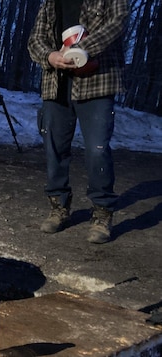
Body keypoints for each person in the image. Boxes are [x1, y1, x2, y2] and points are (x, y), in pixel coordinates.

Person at [27, 0, 129, 244]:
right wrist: (50, 56)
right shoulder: (51, 2)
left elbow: (118, 23)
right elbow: (35, 39)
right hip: (56, 82)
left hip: (97, 81)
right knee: (54, 148)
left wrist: (82, 49)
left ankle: (102, 213)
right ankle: (58, 206)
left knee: (97, 149)